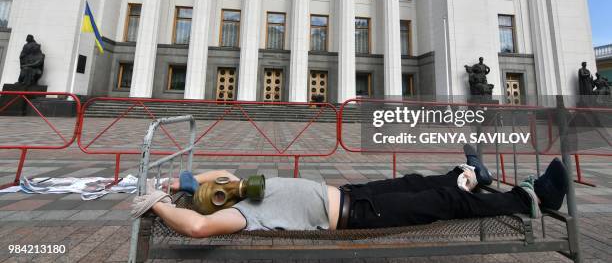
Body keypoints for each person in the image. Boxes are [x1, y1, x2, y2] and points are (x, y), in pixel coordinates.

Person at [131, 145, 568, 238]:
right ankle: (534, 200)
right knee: (444, 202)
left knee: (416, 181)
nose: (222, 186)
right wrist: (157, 204)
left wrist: (175, 182)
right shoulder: (245, 214)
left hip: (349, 191)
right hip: (357, 215)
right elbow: (198, 227)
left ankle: (469, 173)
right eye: (216, 192)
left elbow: (220, 172)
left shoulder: (238, 189)